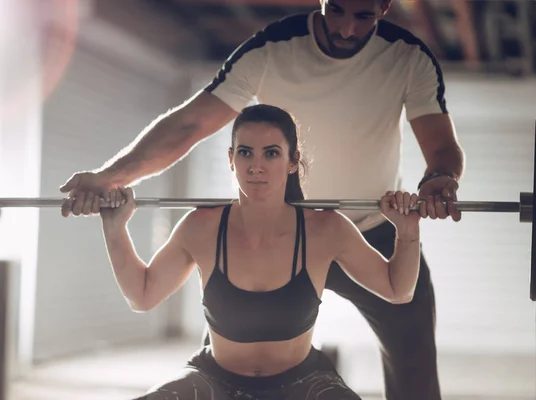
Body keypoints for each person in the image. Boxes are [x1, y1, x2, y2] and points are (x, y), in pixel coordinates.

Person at [60, 1, 465, 398]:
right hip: (274, 229)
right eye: (336, 11)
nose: (345, 29)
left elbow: (442, 148)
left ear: (385, 8)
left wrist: (439, 181)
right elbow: (188, 124)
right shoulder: (272, 48)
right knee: (226, 357)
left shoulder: (409, 57)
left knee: (416, 372)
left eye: (363, 16)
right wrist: (108, 178)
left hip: (372, 231)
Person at [65, 104, 422, 399]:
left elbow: (398, 289)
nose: (257, 165)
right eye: (246, 152)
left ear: (293, 160)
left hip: (303, 383)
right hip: (214, 381)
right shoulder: (201, 227)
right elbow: (142, 295)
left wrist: (407, 229)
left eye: (271, 153)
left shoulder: (325, 228)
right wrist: (115, 227)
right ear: (231, 158)